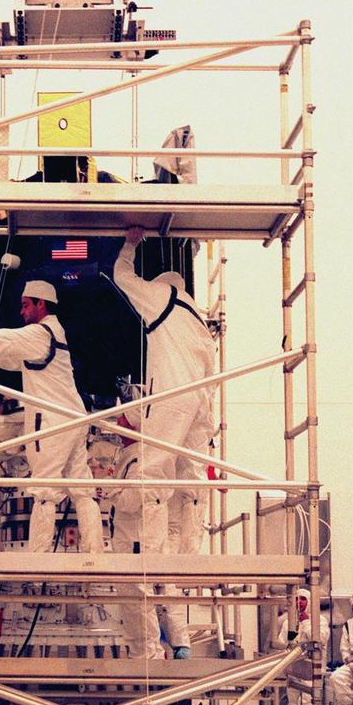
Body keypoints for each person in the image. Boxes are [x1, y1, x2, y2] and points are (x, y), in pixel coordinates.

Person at [0, 280, 104, 553]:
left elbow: (4, 339)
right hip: (74, 420)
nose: (21, 311)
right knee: (82, 488)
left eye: (25, 305)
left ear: (40, 303)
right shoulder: (55, 335)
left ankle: (39, 558)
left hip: (53, 425)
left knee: (44, 492)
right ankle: (96, 552)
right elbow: (7, 356)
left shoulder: (40, 334)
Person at [112, 229, 215, 556]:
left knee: (154, 477)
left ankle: (154, 558)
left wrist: (131, 242)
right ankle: (191, 557)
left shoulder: (160, 297)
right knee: (192, 479)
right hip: (199, 400)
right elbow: (210, 375)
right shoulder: (197, 319)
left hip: (171, 396)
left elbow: (121, 276)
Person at [99, 412, 191, 659]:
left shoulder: (140, 458)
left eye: (123, 421)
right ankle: (178, 642)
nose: (118, 426)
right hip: (148, 529)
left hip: (137, 535)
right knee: (158, 587)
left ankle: (148, 654)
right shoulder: (148, 454)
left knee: (138, 594)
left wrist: (109, 491)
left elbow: (130, 500)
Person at [280, 590, 330, 705]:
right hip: (293, 667)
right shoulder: (288, 622)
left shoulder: (319, 620)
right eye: (296, 599)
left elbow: (320, 638)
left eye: (303, 599)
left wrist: (307, 622)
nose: (299, 602)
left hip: (312, 668)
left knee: (307, 703)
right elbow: (283, 643)